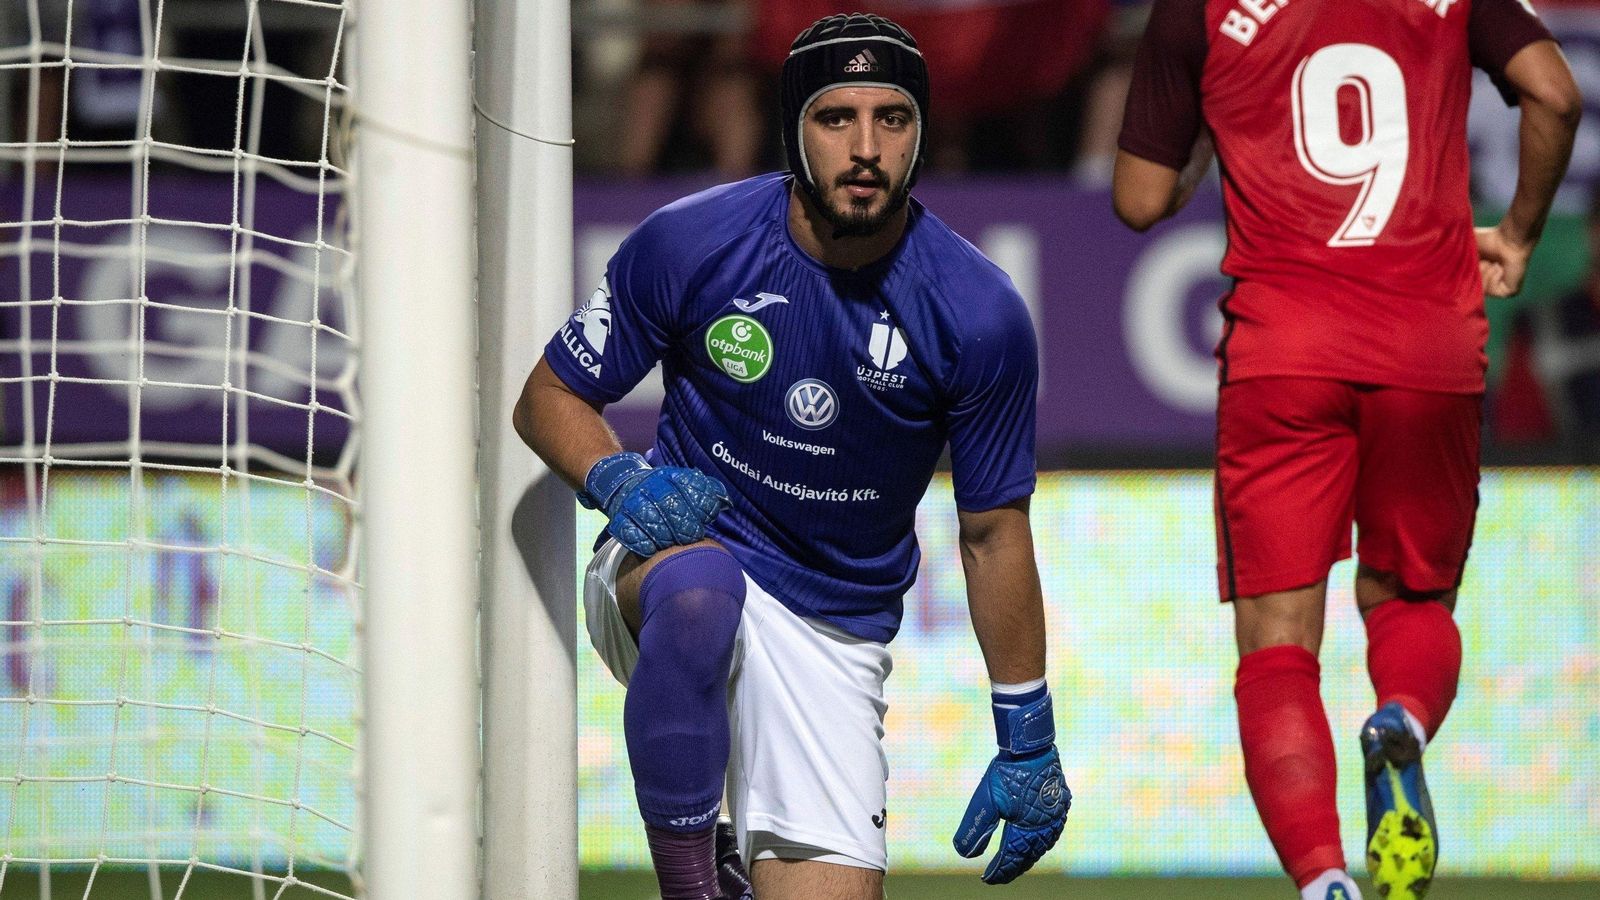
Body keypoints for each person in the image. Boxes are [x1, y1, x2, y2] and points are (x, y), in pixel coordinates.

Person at [514, 12, 1068, 900]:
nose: (864, 147)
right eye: (834, 117)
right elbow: (547, 397)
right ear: (793, 132)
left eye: (892, 119)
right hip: (671, 562)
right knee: (703, 595)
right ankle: (695, 887)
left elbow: (995, 532)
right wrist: (622, 481)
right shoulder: (691, 241)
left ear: (920, 134)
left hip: (831, 629)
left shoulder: (980, 313)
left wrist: (1028, 730)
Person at [1111, 1, 1581, 899]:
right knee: (1411, 595)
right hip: (1429, 344)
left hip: (1282, 350)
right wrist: (1517, 234)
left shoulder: (1201, 10)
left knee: (1276, 644)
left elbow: (1139, 199)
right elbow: (1555, 95)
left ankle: (1324, 879)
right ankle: (1400, 717)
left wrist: (1215, 124)